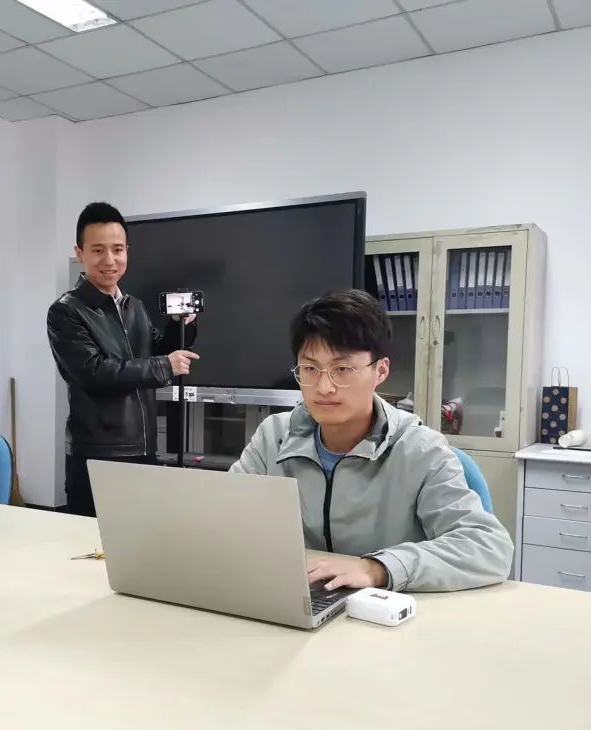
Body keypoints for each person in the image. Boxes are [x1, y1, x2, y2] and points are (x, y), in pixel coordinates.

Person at [230, 290, 513, 592]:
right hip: (297, 599)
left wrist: (378, 568)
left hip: (391, 609)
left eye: (342, 369)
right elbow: (224, 519)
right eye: (310, 369)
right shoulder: (273, 438)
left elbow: (488, 548)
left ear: (381, 370)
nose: (324, 387)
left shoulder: (420, 450)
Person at [47, 202, 198, 517]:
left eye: (117, 249)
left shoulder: (134, 306)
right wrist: (165, 366)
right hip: (98, 455)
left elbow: (158, 349)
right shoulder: (66, 311)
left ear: (127, 251)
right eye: (98, 250)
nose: (109, 260)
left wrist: (180, 324)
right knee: (90, 543)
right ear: (80, 253)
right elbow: (94, 373)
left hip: (144, 449)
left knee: (142, 540)